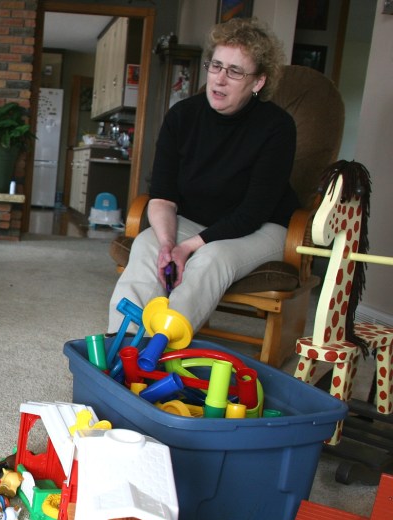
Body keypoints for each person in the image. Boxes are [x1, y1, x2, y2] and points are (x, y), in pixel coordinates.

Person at [108, 18, 298, 335]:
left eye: (235, 71)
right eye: (216, 66)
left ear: (258, 82)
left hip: (262, 227)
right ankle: (124, 344)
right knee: (147, 245)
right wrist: (170, 245)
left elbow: (252, 213)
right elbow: (163, 196)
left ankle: (161, 348)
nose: (220, 79)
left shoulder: (277, 127)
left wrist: (189, 248)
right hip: (196, 220)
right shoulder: (182, 117)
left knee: (211, 258)